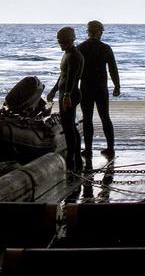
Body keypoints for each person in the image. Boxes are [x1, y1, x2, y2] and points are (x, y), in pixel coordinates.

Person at [77, 20, 121, 158]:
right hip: (101, 88)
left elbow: (75, 71)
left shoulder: (81, 48)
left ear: (88, 32)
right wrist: (117, 86)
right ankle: (110, 148)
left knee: (87, 118)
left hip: (85, 88)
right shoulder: (106, 48)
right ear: (100, 32)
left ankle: (88, 149)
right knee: (105, 117)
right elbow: (113, 69)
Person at [48, 27, 85, 172]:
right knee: (69, 125)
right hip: (64, 93)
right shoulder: (67, 54)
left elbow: (72, 78)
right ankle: (74, 154)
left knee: (68, 126)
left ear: (71, 40)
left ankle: (72, 156)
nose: (60, 44)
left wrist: (67, 95)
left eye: (62, 41)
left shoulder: (75, 56)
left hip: (71, 94)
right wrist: (54, 90)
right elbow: (63, 75)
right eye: (59, 41)